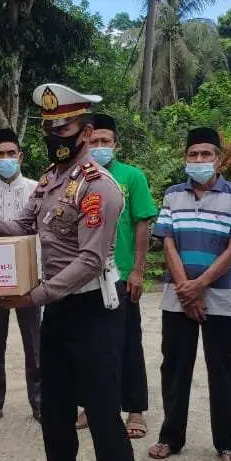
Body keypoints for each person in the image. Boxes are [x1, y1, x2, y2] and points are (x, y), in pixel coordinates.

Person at [0, 82, 143, 461]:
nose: (56, 134)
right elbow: (25, 227)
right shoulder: (51, 181)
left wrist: (32, 296)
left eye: (65, 127)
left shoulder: (100, 188)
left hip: (94, 312)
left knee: (102, 419)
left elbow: (91, 261)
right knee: (55, 416)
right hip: (58, 313)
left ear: (86, 132)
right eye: (50, 127)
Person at [149, 127, 231, 461]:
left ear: (218, 160)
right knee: (175, 368)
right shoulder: (172, 195)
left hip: (220, 298)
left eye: (205, 155)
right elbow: (167, 242)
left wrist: (200, 286)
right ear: (185, 159)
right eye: (192, 155)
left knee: (222, 368)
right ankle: (170, 437)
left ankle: (227, 442)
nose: (198, 161)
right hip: (176, 298)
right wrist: (186, 290)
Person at [86, 113, 158, 440]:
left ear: (116, 144)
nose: (99, 147)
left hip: (122, 274)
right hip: (86, 277)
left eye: (105, 141)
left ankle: (135, 409)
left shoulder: (132, 177)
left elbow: (142, 223)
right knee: (91, 345)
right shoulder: (78, 178)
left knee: (128, 342)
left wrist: (138, 270)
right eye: (94, 142)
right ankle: (94, 405)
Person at [0, 127, 42, 424]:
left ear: (20, 156)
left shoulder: (38, 188)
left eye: (10, 154)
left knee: (35, 343)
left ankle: (40, 403)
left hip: (30, 279)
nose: (5, 159)